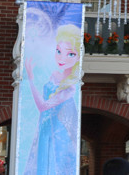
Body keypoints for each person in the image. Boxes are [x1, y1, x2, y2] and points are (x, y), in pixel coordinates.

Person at [24, 23, 82, 174]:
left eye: (70, 54)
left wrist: (31, 79)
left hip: (58, 132)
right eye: (58, 51)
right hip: (44, 127)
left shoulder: (70, 86)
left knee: (53, 165)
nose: (62, 58)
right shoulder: (55, 75)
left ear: (78, 57)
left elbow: (43, 106)